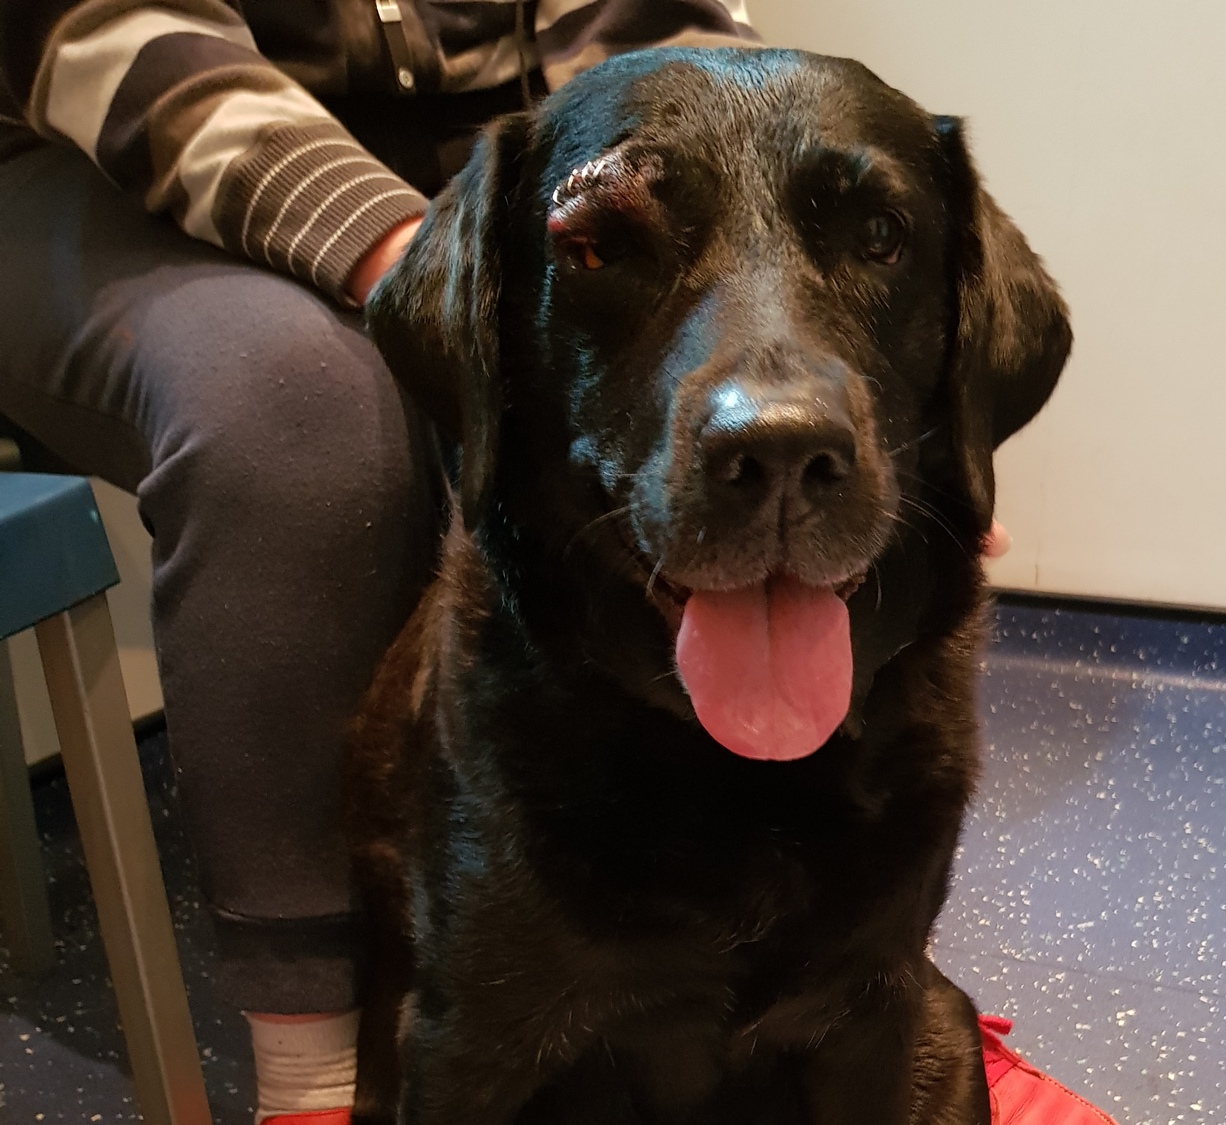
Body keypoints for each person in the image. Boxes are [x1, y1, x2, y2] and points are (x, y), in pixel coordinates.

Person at [0, 3, 755, 1120]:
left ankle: (820, 990)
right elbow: (117, 34)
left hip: (505, 142)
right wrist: (442, 275)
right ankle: (312, 1076)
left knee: (737, 393)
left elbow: (658, 33)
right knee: (303, 411)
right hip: (113, 148)